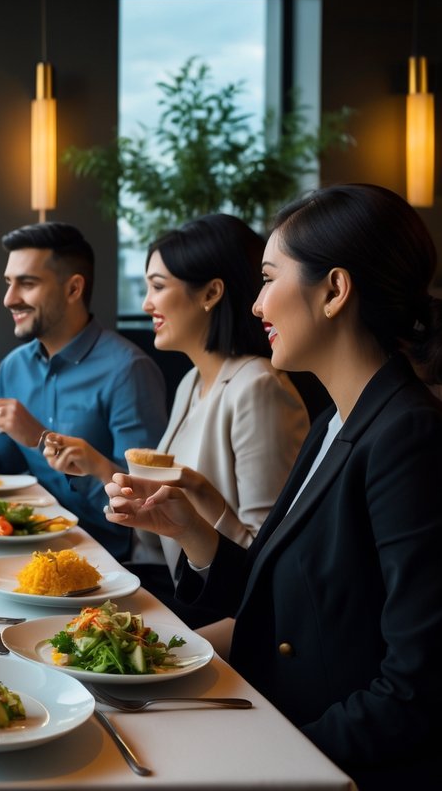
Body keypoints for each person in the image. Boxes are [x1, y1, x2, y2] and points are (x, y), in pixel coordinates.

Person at [103, 184, 442, 787]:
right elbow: (279, 602)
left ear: (334, 291)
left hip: (327, 755)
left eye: (267, 278)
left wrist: (275, 757)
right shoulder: (334, 422)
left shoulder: (407, 436)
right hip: (274, 715)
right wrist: (190, 530)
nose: (255, 305)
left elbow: (417, 688)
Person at [41, 215, 309, 624]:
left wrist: (201, 498)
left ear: (211, 293)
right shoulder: (191, 382)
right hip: (169, 587)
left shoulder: (258, 388)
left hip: (218, 614)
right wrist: (100, 469)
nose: (146, 303)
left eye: (158, 287)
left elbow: (267, 557)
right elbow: (160, 532)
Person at [0, 222, 166, 560]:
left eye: (27, 283)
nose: (9, 298)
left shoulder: (129, 371)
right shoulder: (14, 366)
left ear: (73, 289)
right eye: (9, 283)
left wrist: (41, 437)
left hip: (104, 559)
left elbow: (144, 505)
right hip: (25, 547)